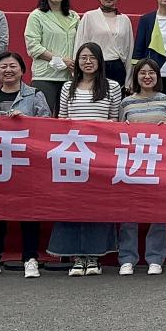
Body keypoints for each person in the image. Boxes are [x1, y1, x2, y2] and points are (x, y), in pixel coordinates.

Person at [49, 42, 122, 277]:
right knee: (73, 206)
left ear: (100, 61)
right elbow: (61, 120)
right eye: (83, 58)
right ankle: (77, 257)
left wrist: (99, 127)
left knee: (96, 206)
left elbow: (115, 122)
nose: (87, 62)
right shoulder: (67, 87)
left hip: (100, 156)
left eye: (92, 57)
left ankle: (94, 256)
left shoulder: (112, 86)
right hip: (73, 154)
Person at [0, 51, 52, 279]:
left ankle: (30, 258)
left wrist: (27, 121)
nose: (8, 70)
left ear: (22, 70)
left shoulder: (35, 95)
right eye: (3, 67)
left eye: (12, 66)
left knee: (28, 211)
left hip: (25, 162)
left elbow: (47, 125)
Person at [116, 59, 166, 276]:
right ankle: (127, 258)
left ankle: (155, 258)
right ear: (136, 77)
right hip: (132, 164)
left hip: (159, 164)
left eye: (151, 72)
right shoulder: (126, 103)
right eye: (142, 73)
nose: (147, 76)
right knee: (129, 212)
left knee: (158, 213)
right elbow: (117, 134)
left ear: (157, 76)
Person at [24, 0, 81, 117]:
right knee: (44, 117)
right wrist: (61, 59)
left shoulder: (74, 16)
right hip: (45, 77)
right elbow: (33, 47)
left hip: (69, 77)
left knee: (66, 118)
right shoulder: (36, 16)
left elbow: (80, 42)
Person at [75, 0, 133, 90]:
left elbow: (129, 50)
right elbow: (79, 46)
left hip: (117, 69)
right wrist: (77, 74)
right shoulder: (89, 16)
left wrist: (129, 80)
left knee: (116, 99)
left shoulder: (125, 20)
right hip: (95, 67)